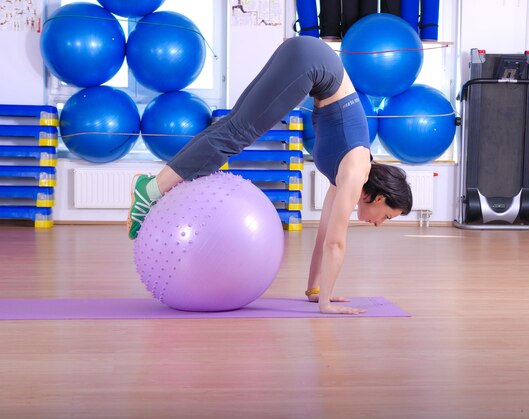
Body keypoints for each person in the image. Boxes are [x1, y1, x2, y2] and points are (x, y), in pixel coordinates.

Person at [127, 36, 413, 315]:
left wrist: (316, 292)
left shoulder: (346, 175)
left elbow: (325, 235)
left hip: (309, 55)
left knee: (232, 126)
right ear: (379, 196)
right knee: (237, 133)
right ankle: (150, 191)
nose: (379, 224)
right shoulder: (354, 172)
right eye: (387, 215)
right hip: (312, 63)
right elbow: (336, 243)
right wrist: (327, 305)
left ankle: (152, 187)